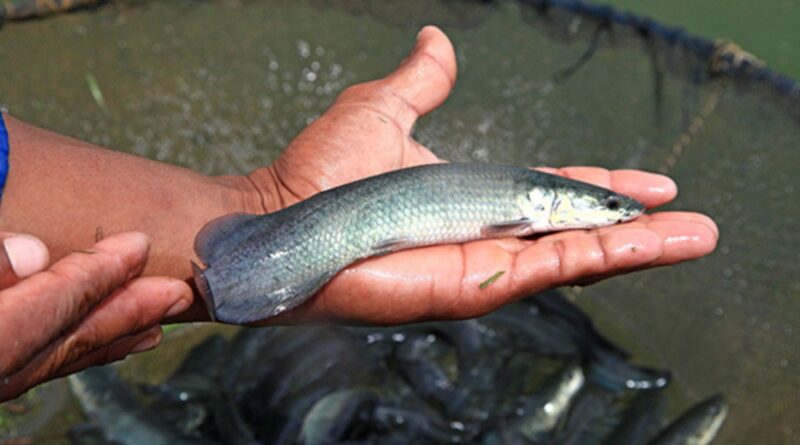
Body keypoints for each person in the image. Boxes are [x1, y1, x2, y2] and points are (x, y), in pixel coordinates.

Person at [0, 26, 718, 401]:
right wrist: (262, 209)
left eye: (611, 210)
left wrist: (260, 206)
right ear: (548, 201)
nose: (610, 214)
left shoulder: (525, 203)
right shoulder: (520, 202)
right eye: (603, 206)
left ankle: (252, 245)